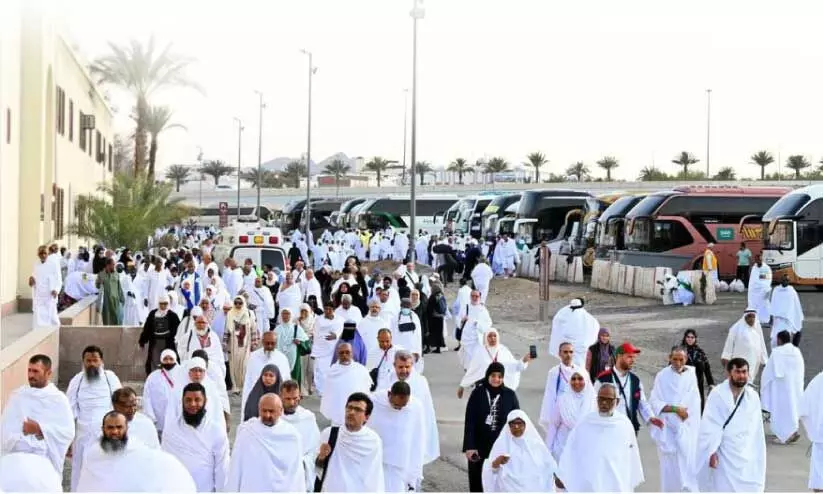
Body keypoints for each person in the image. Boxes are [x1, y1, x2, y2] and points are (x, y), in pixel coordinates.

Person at [555, 383, 644, 492]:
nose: (604, 403)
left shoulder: (624, 425)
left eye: (609, 399)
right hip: (589, 483)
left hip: (615, 482)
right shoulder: (585, 423)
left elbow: (631, 456)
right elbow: (571, 450)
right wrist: (563, 474)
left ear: (617, 401)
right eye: (601, 399)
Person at [696, 358, 767, 492]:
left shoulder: (753, 397)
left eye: (744, 372)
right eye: (738, 372)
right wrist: (711, 451)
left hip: (746, 453)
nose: (742, 376)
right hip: (723, 453)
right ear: (729, 373)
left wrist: (757, 454)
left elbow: (756, 430)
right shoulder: (717, 395)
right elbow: (709, 426)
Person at [0, 354, 74, 476]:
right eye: (29, 370)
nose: (31, 375)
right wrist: (22, 439)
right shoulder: (17, 396)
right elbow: (5, 429)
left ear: (48, 373)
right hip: (18, 460)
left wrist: (39, 429)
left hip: (44, 463)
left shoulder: (58, 399)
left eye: (35, 371)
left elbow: (68, 432)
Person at [65, 345, 123, 491]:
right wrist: (69, 440)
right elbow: (69, 410)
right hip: (82, 433)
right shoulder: (76, 381)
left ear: (101, 361)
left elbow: (120, 404)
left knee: (105, 469)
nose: (91, 364)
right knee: (80, 470)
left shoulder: (110, 378)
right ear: (83, 362)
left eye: (95, 360)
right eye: (88, 360)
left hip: (107, 433)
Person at [227, 393, 306, 492]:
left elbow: (297, 474)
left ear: (281, 411)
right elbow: (236, 469)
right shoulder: (247, 432)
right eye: (264, 411)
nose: (267, 415)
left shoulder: (292, 436)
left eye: (271, 411)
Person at [649, 347, 702, 492]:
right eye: (675, 359)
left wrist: (687, 414)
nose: (678, 362)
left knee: (688, 464)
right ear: (669, 358)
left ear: (686, 359)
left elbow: (695, 400)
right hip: (668, 428)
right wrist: (675, 409)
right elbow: (654, 401)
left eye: (681, 359)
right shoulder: (662, 376)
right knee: (670, 467)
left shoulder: (691, 375)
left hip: (686, 427)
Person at [462, 362, 521, 492]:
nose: (496, 379)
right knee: (478, 481)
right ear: (488, 375)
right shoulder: (478, 393)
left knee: (499, 481)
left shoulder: (510, 395)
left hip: (501, 446)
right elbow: (470, 421)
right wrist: (470, 446)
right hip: (479, 446)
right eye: (493, 375)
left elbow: (517, 421)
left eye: (500, 376)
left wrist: (516, 447)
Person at [162, 382, 231, 492]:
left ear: (205, 401)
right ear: (182, 402)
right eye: (188, 400)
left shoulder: (216, 431)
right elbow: (165, 465)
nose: (193, 404)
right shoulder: (171, 430)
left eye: (197, 400)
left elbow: (222, 469)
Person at [315, 392, 385, 492]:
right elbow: (317, 469)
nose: (351, 412)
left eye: (358, 410)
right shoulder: (329, 434)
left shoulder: (373, 441)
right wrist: (321, 457)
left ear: (367, 417)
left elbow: (375, 478)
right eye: (349, 407)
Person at [367, 381, 426, 492]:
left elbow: (418, 439)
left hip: (400, 464)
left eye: (403, 406)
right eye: (396, 406)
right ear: (389, 394)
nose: (399, 409)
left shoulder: (416, 407)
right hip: (375, 461)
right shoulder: (374, 402)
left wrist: (415, 472)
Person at [595, 342, 664, 435]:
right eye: (629, 357)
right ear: (619, 356)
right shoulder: (603, 378)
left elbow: (642, 403)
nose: (633, 360)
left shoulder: (635, 380)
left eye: (634, 357)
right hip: (608, 428)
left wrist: (651, 417)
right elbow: (593, 402)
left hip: (630, 429)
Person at [482, 410, 557, 492]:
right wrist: (498, 461)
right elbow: (491, 470)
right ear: (508, 426)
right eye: (512, 424)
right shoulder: (501, 444)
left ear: (525, 425)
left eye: (519, 423)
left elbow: (549, 467)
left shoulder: (535, 445)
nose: (516, 427)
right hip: (507, 487)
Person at [760, 330, 805, 444]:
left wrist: (764, 387)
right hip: (794, 387)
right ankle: (792, 431)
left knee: (781, 410)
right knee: (792, 409)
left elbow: (767, 373)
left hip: (780, 388)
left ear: (779, 340)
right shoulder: (796, 351)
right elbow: (801, 370)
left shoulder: (776, 353)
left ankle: (785, 435)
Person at [538, 342, 589, 439]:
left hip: (578, 415)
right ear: (559, 354)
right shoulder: (554, 373)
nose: (568, 355)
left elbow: (587, 395)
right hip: (560, 417)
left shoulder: (581, 372)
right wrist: (552, 418)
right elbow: (550, 396)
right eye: (565, 352)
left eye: (571, 352)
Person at [458, 328, 530, 396]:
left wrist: (524, 360)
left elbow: (514, 366)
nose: (493, 338)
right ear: (486, 338)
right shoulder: (480, 352)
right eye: (490, 336)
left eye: (494, 336)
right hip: (484, 388)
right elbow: (472, 370)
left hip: (500, 386)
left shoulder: (503, 350)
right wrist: (462, 385)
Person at [544, 370, 595, 461]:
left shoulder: (594, 401)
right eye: (573, 379)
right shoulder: (562, 400)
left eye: (580, 379)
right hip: (562, 449)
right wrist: (548, 450)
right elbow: (553, 425)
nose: (576, 382)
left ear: (586, 381)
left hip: (587, 449)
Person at [281, 380, 322, 492]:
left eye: (295, 398)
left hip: (301, 473)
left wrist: (303, 462)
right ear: (281, 398)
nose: (292, 402)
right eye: (288, 399)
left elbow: (315, 449)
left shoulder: (308, 418)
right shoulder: (275, 419)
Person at [320, 343, 373, 425]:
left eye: (347, 352)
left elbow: (366, 391)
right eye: (341, 353)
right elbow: (328, 394)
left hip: (356, 411)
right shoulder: (331, 372)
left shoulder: (361, 370)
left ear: (352, 353)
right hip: (337, 413)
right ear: (337, 354)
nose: (344, 355)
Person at [241, 331, 290, 414]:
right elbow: (248, 382)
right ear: (262, 342)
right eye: (267, 343)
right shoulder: (254, 357)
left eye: (272, 343)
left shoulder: (282, 358)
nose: (270, 346)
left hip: (277, 400)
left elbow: (287, 382)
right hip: (256, 398)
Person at [548, 298, 600, 368]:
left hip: (569, 349)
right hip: (581, 349)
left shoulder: (564, 314)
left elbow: (557, 325)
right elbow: (595, 328)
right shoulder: (588, 318)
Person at [721, 308, 769, 382]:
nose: (752, 319)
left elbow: (762, 344)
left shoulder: (757, 327)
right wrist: (728, 367)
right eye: (749, 316)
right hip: (738, 364)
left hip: (753, 363)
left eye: (753, 317)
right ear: (745, 317)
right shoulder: (735, 329)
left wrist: (765, 360)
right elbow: (727, 349)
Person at [139, 294, 181, 376]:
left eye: (165, 303)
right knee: (155, 361)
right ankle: (155, 377)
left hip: (168, 343)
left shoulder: (173, 315)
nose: (163, 306)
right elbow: (147, 328)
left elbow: (178, 330)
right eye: (161, 303)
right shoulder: (153, 314)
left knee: (168, 360)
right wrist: (142, 341)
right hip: (155, 342)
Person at [225, 295, 258, 393]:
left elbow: (254, 329)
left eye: (240, 303)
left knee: (244, 366)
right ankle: (235, 387)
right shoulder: (230, 314)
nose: (238, 305)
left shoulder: (249, 314)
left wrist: (254, 343)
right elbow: (226, 331)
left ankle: (244, 386)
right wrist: (224, 344)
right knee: (233, 366)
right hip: (233, 345)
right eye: (236, 303)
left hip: (245, 346)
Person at [311, 301, 345, 396]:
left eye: (330, 309)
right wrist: (315, 351)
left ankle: (332, 390)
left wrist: (336, 336)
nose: (328, 311)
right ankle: (321, 391)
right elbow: (316, 335)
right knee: (320, 371)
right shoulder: (319, 320)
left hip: (334, 349)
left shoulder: (340, 320)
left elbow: (342, 332)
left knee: (332, 370)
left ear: (333, 310)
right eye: (326, 309)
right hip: (321, 349)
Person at [141, 349, 179, 434]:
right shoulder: (153, 377)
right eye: (165, 359)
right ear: (161, 360)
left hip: (178, 421)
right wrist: (151, 417)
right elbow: (147, 398)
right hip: (159, 421)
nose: (168, 361)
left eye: (171, 359)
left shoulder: (182, 374)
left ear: (175, 360)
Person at [456, 290, 493, 369]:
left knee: (477, 358)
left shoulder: (483, 310)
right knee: (467, 359)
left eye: (476, 296)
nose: (474, 298)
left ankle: (475, 375)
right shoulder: (465, 307)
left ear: (479, 297)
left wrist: (478, 324)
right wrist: (462, 320)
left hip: (478, 339)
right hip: (467, 338)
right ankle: (468, 373)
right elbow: (458, 319)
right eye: (473, 296)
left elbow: (489, 323)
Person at [800, 369, 823, 492]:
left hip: (821, 432)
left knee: (819, 473)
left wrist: (813, 426)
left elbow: (804, 406)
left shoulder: (820, 379)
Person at [274, 308, 312, 383]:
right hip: (280, 357)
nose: (285, 316)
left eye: (287, 314)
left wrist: (300, 343)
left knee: (293, 379)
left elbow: (307, 344)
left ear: (291, 315)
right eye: (283, 314)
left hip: (294, 357)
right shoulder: (277, 329)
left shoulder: (297, 328)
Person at [682, 329, 715, 410]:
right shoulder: (680, 351)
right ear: (685, 338)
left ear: (695, 339)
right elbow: (671, 366)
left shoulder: (700, 353)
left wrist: (711, 383)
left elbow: (707, 369)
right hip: (684, 386)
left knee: (698, 408)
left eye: (692, 337)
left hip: (698, 386)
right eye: (688, 337)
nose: (690, 339)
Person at [30, 245, 62, 328]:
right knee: (38, 319)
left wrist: (56, 290)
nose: (43, 255)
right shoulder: (36, 264)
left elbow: (59, 280)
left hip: (49, 296)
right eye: (41, 253)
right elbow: (33, 278)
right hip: (39, 296)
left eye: (45, 253)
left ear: (48, 254)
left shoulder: (53, 264)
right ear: (38, 254)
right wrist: (31, 281)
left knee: (52, 319)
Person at [770, 274, 804, 347]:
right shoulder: (776, 290)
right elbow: (773, 304)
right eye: (784, 280)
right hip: (778, 319)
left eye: (787, 280)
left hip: (788, 319)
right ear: (781, 281)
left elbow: (796, 305)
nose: (786, 282)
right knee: (775, 339)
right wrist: (771, 316)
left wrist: (797, 316)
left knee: (786, 338)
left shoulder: (792, 291)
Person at [96, 257, 124, 324]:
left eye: (114, 264)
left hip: (116, 300)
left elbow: (119, 287)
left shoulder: (116, 274)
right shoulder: (101, 274)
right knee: (107, 320)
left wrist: (122, 298)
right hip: (107, 302)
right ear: (108, 265)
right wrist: (99, 282)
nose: (114, 266)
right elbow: (97, 286)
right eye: (113, 264)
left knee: (117, 319)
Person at [748, 254, 773, 326]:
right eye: (757, 260)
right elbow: (752, 280)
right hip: (754, 292)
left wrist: (760, 287)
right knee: (754, 306)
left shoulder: (766, 268)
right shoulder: (754, 268)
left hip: (763, 292)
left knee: (764, 306)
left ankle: (766, 320)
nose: (758, 261)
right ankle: (755, 320)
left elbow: (766, 281)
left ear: (761, 259)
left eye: (759, 259)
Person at [425, 281, 448, 353]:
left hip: (433, 318)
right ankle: (438, 348)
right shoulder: (441, 295)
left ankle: (429, 347)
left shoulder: (433, 296)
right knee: (439, 333)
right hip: (440, 317)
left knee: (432, 333)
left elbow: (430, 307)